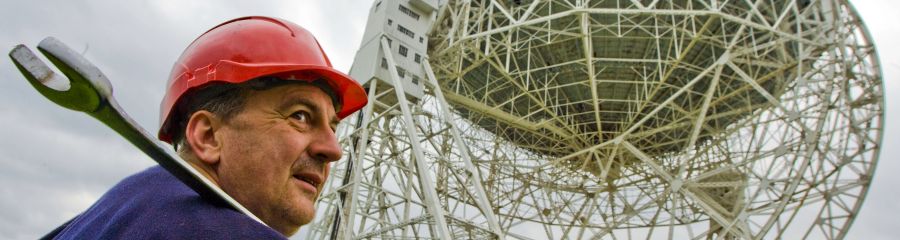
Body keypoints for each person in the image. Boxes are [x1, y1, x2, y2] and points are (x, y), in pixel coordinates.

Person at [46, 16, 368, 239]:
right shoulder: (224, 232)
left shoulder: (100, 218)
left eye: (333, 127)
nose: (334, 150)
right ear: (208, 136)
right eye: (299, 116)